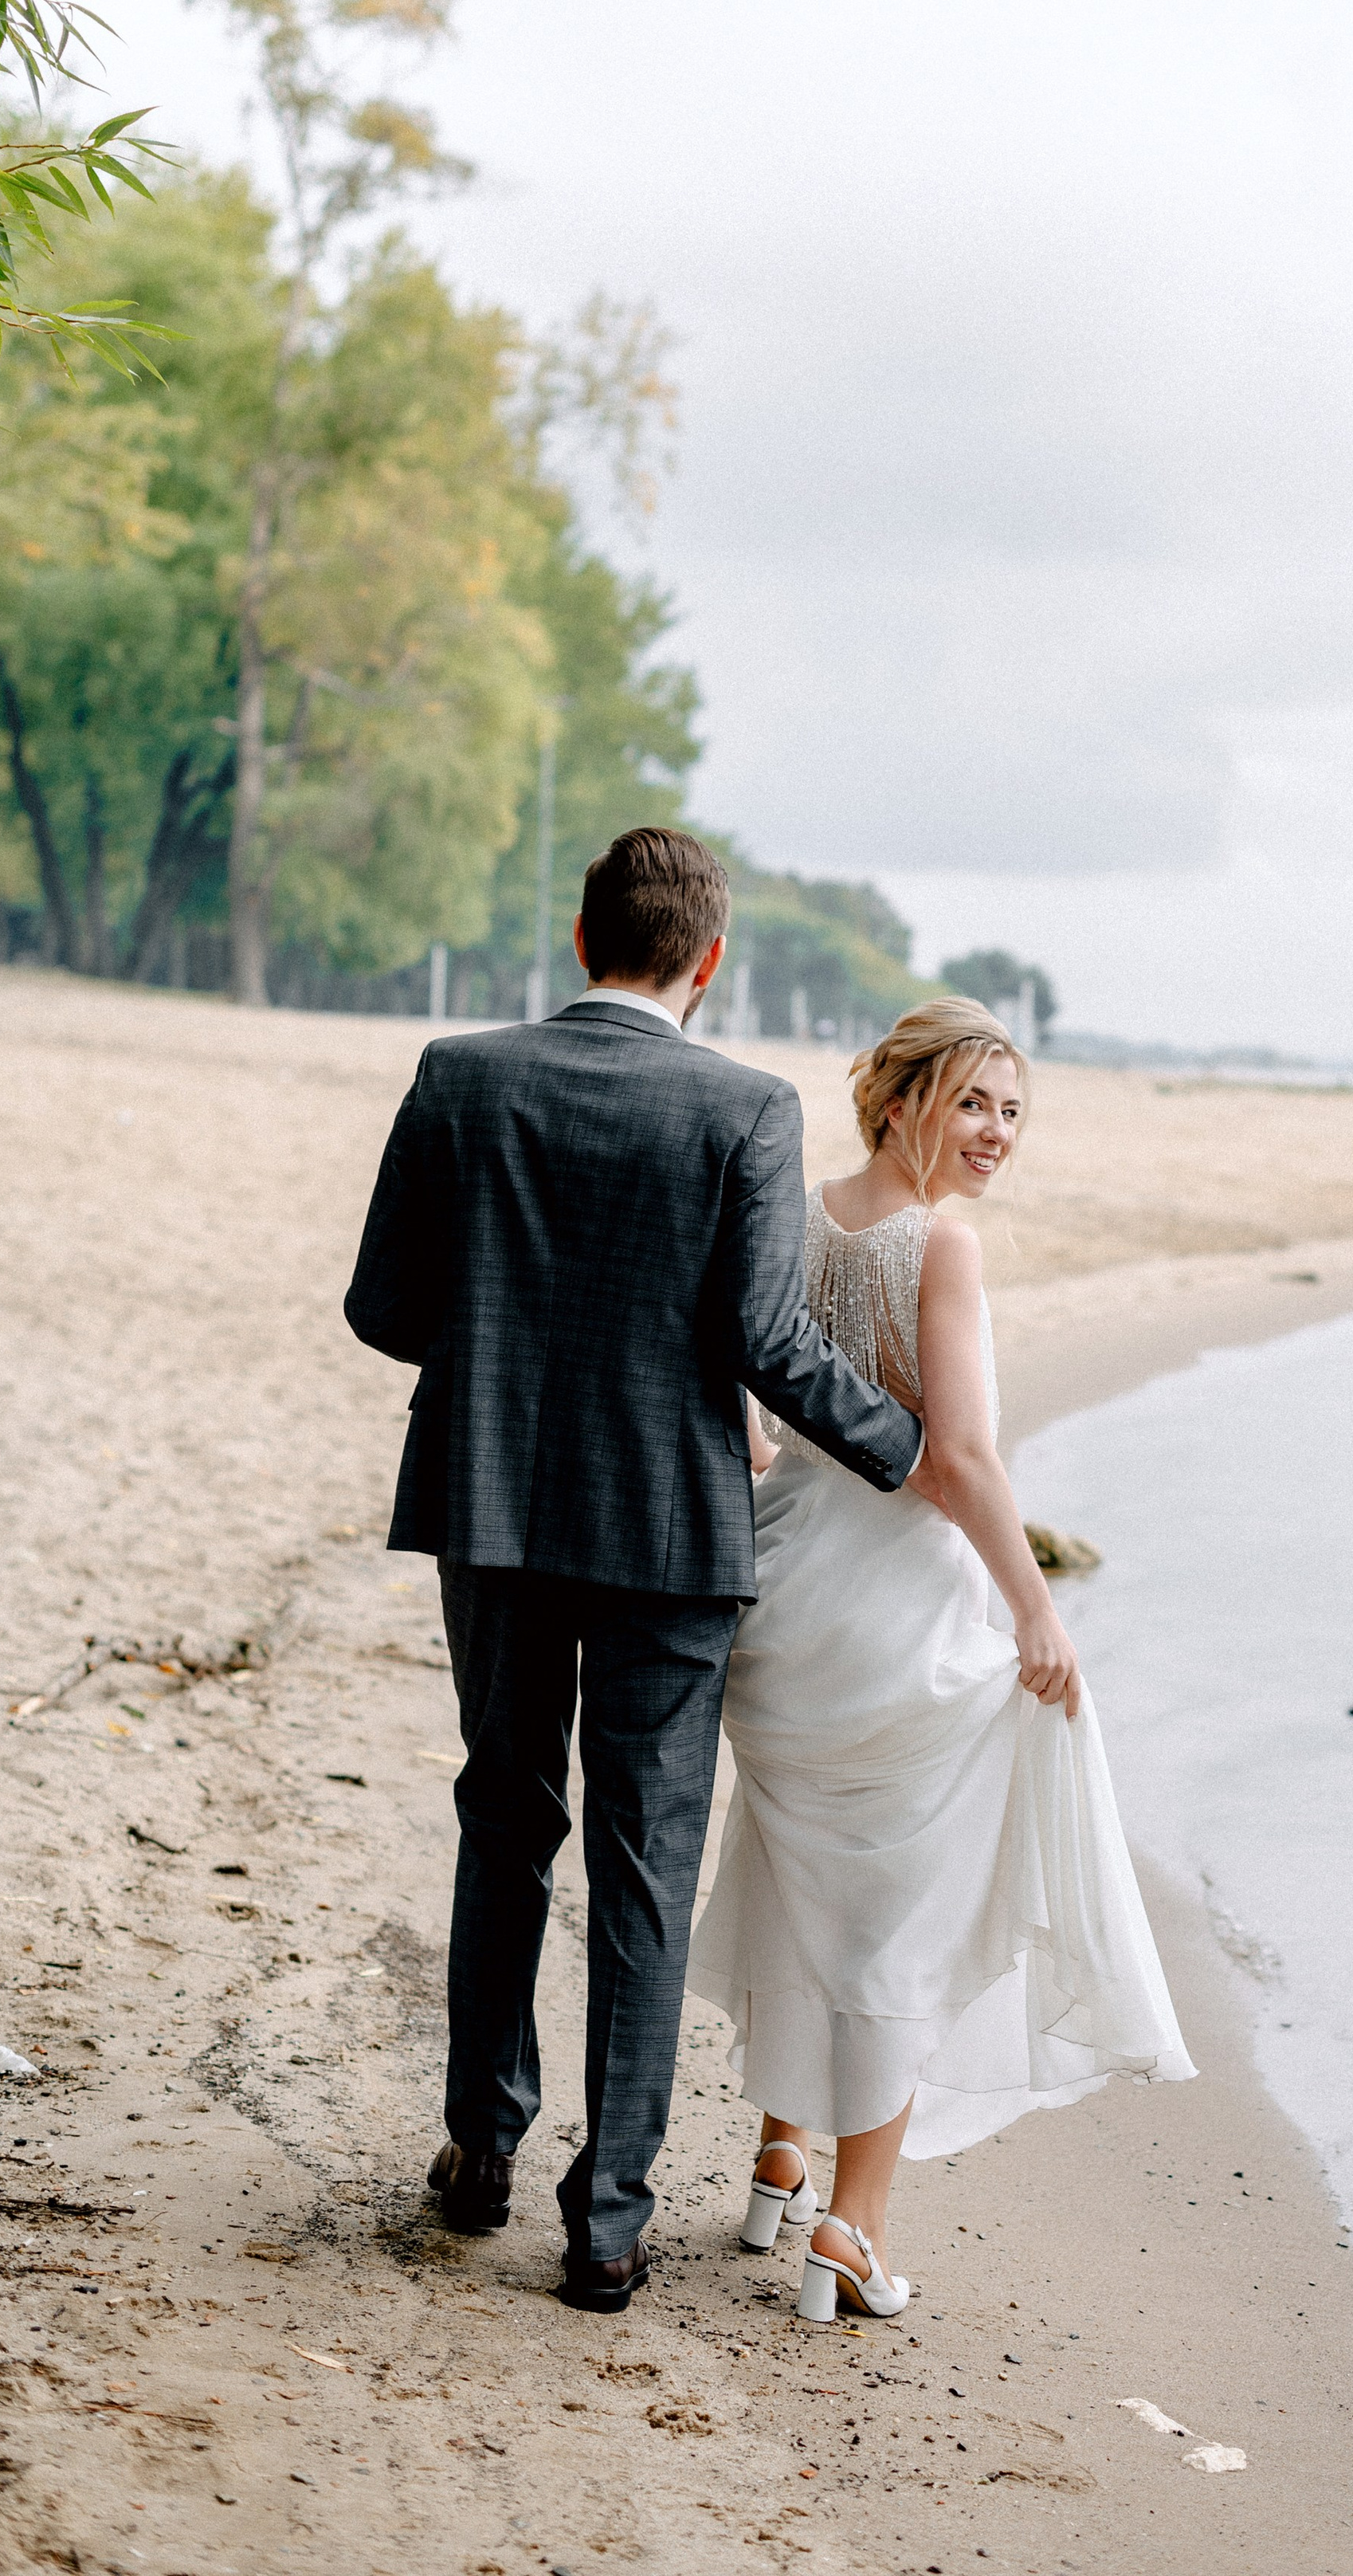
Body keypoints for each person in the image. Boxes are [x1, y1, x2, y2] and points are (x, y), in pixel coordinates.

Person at [343, 824, 935, 2311]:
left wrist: (506, 1362)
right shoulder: (743, 1107)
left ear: (581, 933)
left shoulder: (459, 1074)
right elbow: (765, 1343)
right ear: (710, 960)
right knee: (644, 1863)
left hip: (492, 1507)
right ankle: (608, 2222)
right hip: (671, 1531)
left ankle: (479, 2146)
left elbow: (382, 1304)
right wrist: (909, 1452)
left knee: (504, 1810)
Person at [688, 996, 1194, 2322]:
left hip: (782, 1595)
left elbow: (728, 1355)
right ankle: (851, 2231)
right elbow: (960, 1460)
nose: (996, 1133)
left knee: (813, 1880)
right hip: (888, 1616)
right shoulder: (941, 1248)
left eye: (1014, 1111)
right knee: (903, 1917)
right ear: (901, 1097)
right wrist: (1037, 1609)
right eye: (973, 1102)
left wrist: (747, 1439)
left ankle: (780, 2153)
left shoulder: (788, 1212)